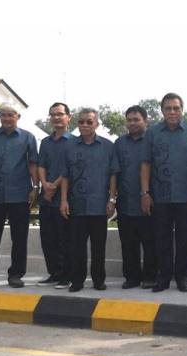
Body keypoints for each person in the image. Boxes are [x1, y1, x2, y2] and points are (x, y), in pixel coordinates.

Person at [140, 93, 187, 293]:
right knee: (161, 239)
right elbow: (145, 164)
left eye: (176, 108)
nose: (172, 112)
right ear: (162, 111)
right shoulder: (152, 134)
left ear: (182, 110)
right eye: (168, 108)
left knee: (185, 239)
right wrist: (145, 193)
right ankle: (164, 277)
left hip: (186, 197)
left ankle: (182, 277)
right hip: (160, 197)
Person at [0, 102, 39, 290]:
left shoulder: (28, 138)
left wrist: (35, 187)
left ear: (18, 117)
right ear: (0, 117)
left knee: (19, 237)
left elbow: (32, 165)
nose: (6, 118)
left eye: (10, 115)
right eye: (3, 114)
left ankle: (16, 274)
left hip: (20, 194)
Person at [59, 108, 119, 292]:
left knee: (98, 247)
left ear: (97, 124)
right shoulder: (69, 145)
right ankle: (77, 281)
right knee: (76, 247)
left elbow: (113, 175)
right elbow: (65, 176)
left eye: (89, 122)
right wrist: (63, 200)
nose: (84, 125)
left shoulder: (108, 146)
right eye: (81, 121)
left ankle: (98, 280)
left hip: (99, 205)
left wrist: (111, 200)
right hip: (76, 205)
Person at [114, 105, 156, 290]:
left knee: (150, 242)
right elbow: (114, 171)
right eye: (129, 120)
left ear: (145, 121)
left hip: (149, 201)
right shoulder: (119, 143)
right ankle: (131, 277)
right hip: (126, 201)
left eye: (136, 119)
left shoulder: (153, 140)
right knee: (128, 244)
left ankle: (150, 276)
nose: (132, 123)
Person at [36, 102, 72, 289]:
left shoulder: (74, 141)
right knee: (47, 238)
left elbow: (69, 170)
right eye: (53, 114)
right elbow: (41, 165)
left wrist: (54, 186)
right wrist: (44, 184)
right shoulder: (46, 142)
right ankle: (54, 273)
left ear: (68, 117)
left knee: (64, 239)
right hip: (46, 198)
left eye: (60, 114)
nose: (56, 118)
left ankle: (66, 275)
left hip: (63, 198)